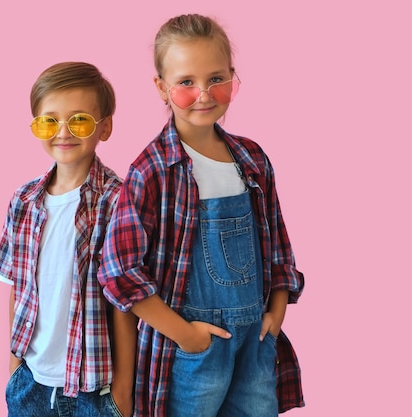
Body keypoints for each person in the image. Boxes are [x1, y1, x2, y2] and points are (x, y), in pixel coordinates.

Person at [98, 14, 305, 417]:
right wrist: (186, 336)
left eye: (216, 78)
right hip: (191, 352)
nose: (204, 94)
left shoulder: (252, 159)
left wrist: (276, 313)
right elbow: (118, 270)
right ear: (161, 87)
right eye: (186, 83)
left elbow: (278, 245)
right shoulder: (153, 169)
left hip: (254, 344)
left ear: (232, 76)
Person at [0, 62, 135, 416]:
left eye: (80, 120)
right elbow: (17, 287)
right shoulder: (23, 200)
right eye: (49, 121)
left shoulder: (117, 201)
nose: (63, 132)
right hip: (31, 384)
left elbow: (125, 302)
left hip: (94, 389)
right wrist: (14, 368)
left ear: (105, 127)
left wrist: (122, 391)